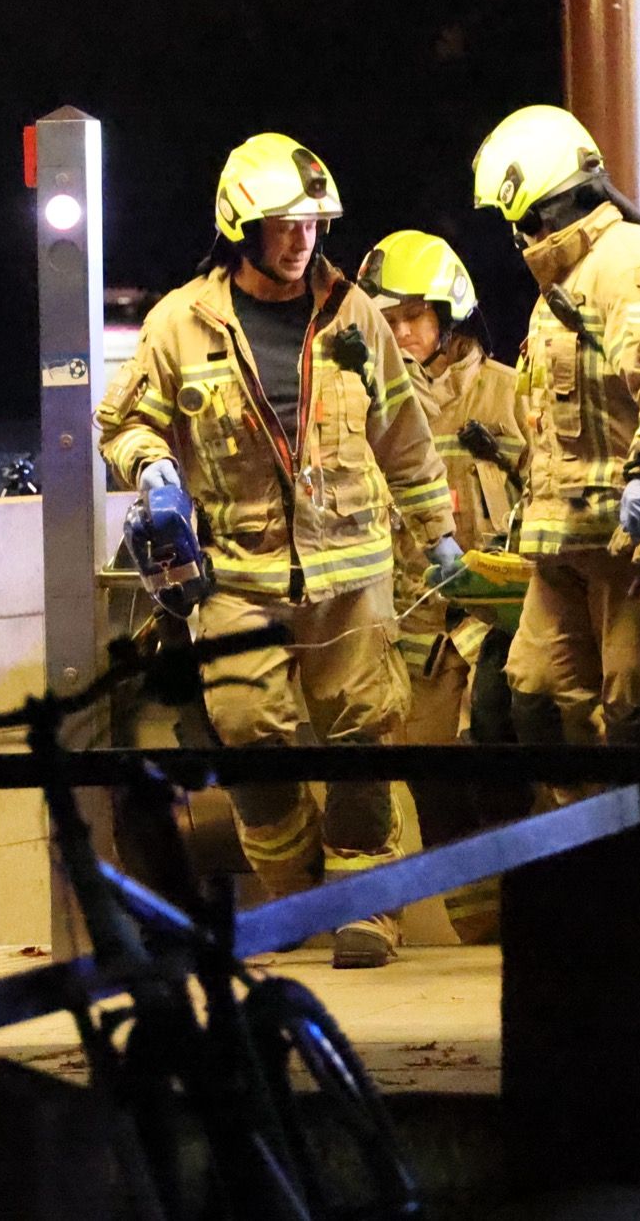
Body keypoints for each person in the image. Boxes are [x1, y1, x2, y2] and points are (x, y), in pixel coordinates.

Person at [98, 132, 460, 969]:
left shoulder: (354, 315)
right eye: (283, 224)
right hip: (235, 576)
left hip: (351, 571)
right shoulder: (180, 324)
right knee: (248, 730)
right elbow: (126, 421)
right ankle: (293, 891)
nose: (301, 239)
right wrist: (152, 466)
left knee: (362, 734)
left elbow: (403, 436)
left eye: (312, 223)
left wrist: (438, 534)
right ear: (241, 228)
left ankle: (366, 910)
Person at [471, 104, 640, 760]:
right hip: (570, 536)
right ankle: (582, 826)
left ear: (546, 202)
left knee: (638, 715)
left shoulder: (627, 262)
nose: (519, 234)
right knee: (539, 698)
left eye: (523, 218)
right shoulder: (564, 278)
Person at [357, 227, 528, 941]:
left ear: (449, 314)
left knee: (510, 766)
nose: (402, 333)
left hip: (502, 619)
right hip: (417, 628)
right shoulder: (367, 408)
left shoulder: (510, 393)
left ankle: (530, 915)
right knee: (434, 781)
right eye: (388, 320)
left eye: (414, 317)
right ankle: (479, 933)